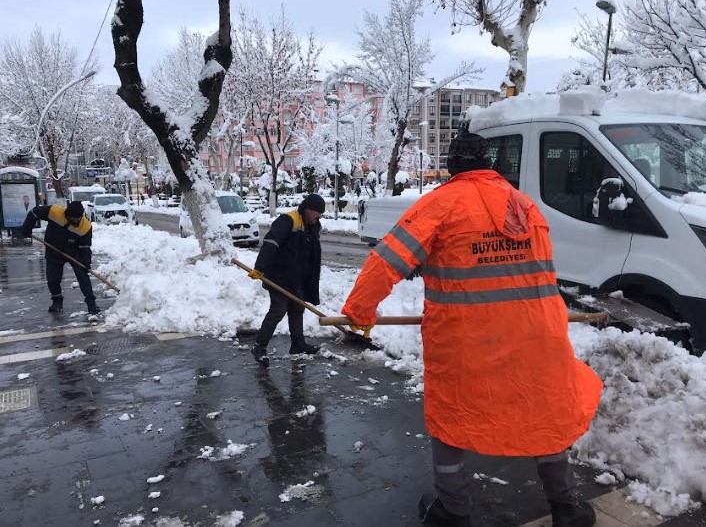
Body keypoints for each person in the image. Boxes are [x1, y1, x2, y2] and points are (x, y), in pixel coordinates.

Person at [342, 132, 603, 527]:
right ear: (489, 164)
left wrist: (360, 310)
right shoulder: (526, 207)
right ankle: (565, 508)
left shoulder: (440, 204)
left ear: (452, 166)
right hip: (537, 336)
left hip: (466, 341)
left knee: (451, 421)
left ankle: (454, 511)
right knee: (543, 415)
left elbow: (387, 260)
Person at [244, 193, 326, 367]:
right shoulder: (288, 220)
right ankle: (259, 347)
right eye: (317, 213)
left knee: (297, 310)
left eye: (321, 214)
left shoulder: (312, 227)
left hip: (298, 279)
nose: (319, 217)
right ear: (308, 210)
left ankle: (298, 344)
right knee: (278, 310)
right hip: (279, 277)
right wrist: (260, 267)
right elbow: (271, 243)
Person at [22, 201, 100, 315]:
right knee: (53, 278)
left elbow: (85, 247)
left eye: (79, 218)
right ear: (67, 214)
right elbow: (35, 212)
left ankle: (91, 304)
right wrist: (27, 227)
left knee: (83, 276)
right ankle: (57, 302)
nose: (76, 221)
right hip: (54, 249)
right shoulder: (55, 212)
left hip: (74, 252)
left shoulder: (86, 226)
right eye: (74, 218)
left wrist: (86, 263)